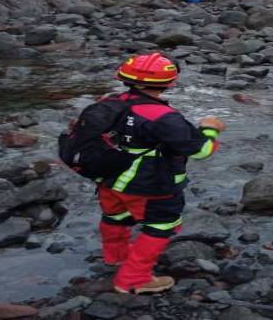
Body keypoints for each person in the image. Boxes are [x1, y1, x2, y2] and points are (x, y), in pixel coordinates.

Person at [65, 52, 224, 294]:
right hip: (150, 184)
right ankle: (133, 279)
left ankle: (115, 258)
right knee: (161, 226)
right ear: (170, 82)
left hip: (108, 177)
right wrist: (210, 130)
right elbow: (201, 151)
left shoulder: (108, 103)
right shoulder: (163, 116)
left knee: (115, 217)